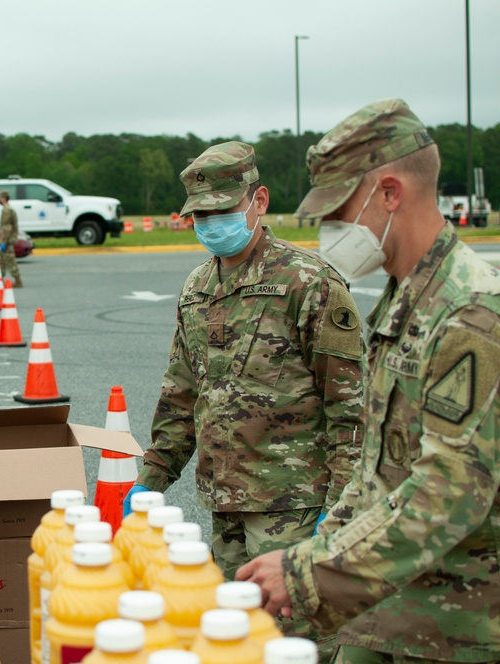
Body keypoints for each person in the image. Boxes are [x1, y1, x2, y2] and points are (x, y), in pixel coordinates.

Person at [239, 99, 500, 663]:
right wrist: (310, 551)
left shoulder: (469, 314)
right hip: (381, 608)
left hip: (453, 628)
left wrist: (307, 574)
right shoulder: (402, 300)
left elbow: (447, 496)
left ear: (389, 193)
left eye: (339, 211)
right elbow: (374, 471)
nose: (330, 231)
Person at [125, 141, 365, 645]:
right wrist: (151, 479)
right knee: (238, 638)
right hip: (224, 502)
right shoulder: (197, 288)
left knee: (297, 641)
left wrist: (341, 505)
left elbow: (352, 406)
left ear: (259, 201)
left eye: (223, 210)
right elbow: (182, 395)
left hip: (294, 507)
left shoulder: (308, 282)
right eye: (200, 215)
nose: (211, 223)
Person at [0, 190, 22, 288]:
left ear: (3, 199)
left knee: (9, 259)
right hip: (8, 238)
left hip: (7, 239)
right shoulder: (8, 209)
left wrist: (3, 241)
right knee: (2, 260)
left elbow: (7, 227)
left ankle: (17, 280)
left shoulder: (6, 210)